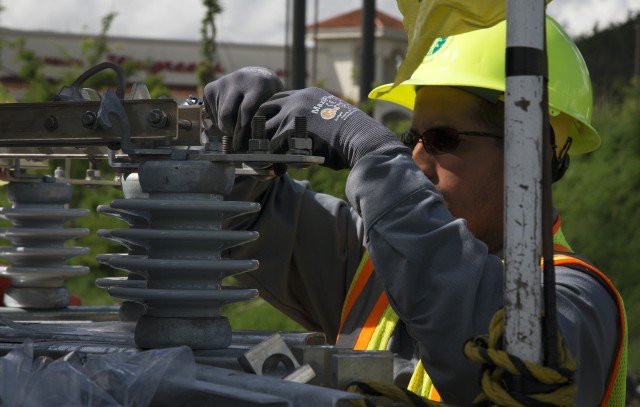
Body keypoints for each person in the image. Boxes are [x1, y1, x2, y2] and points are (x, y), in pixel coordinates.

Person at [204, 17, 626, 405]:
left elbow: (502, 358)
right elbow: (242, 218)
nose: (418, 162)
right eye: (412, 138)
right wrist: (236, 138)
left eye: (443, 139)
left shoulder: (578, 301)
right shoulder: (372, 260)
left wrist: (374, 154)